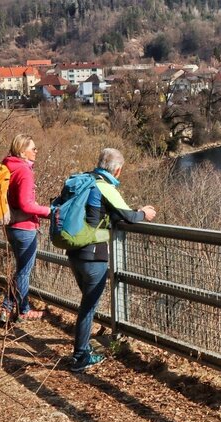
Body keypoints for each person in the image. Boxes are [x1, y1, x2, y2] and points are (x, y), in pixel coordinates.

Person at [67, 148, 156, 372]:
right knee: (88, 308)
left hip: (74, 251)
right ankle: (80, 357)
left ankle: (82, 349)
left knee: (87, 303)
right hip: (93, 255)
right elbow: (128, 216)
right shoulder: (104, 186)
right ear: (117, 169)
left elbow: (102, 213)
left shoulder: (84, 180)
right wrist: (144, 213)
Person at [0, 134, 51, 323]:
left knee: (21, 269)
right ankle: (20, 310)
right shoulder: (24, 171)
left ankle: (12, 308)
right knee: (23, 271)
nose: (36, 151)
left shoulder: (9, 167)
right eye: (33, 148)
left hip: (12, 226)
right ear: (23, 151)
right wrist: (49, 211)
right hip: (24, 227)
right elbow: (26, 205)